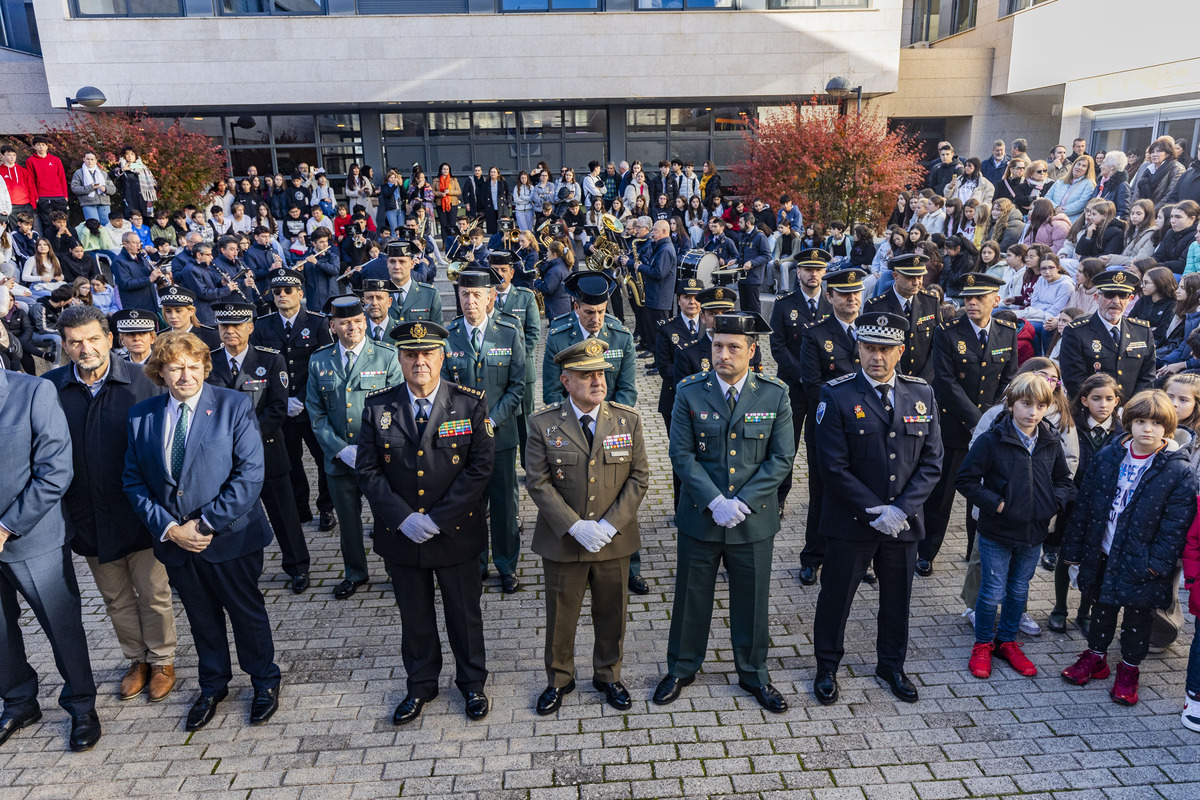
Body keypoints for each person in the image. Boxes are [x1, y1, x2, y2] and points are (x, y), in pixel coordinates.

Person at [123, 331, 281, 732]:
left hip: (229, 538)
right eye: (175, 367)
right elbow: (133, 481)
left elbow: (249, 475)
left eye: (194, 366)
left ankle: (264, 681)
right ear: (160, 371)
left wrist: (205, 523)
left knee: (247, 614)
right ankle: (212, 685)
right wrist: (170, 529)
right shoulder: (142, 415)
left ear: (205, 368)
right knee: (201, 618)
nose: (185, 375)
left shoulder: (233, 405)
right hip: (177, 544)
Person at [356, 320, 494, 725]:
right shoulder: (379, 406)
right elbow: (367, 470)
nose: (419, 361)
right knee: (414, 616)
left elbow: (480, 467)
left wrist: (437, 518)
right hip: (402, 536)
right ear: (399, 358)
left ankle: (472, 684)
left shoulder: (469, 403)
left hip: (455, 531)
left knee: (464, 614)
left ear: (441, 356)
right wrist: (402, 518)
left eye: (427, 353)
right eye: (411, 354)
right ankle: (420, 685)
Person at [655, 312, 794, 712]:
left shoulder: (774, 393)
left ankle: (754, 673)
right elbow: (680, 454)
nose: (723, 354)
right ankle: (681, 667)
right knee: (690, 596)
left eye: (734, 347)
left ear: (752, 351)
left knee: (752, 598)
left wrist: (743, 502)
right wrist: (716, 502)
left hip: (753, 517)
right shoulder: (689, 391)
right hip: (702, 513)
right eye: (717, 345)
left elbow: (782, 458)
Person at [46, 304, 177, 704]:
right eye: (75, 342)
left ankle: (163, 660)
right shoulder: (49, 388)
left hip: (141, 513)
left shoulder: (145, 382)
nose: (85, 349)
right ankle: (136, 659)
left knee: (153, 593)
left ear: (109, 340)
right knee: (116, 597)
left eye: (92, 339)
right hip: (87, 516)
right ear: (65, 347)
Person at [810, 312, 942, 705]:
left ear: (901, 351)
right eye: (869, 348)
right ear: (859, 349)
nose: (877, 357)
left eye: (885, 349)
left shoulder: (922, 394)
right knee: (837, 596)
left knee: (897, 599)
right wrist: (876, 510)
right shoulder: (836, 395)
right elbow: (832, 466)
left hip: (903, 523)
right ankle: (827, 666)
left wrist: (900, 510)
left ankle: (891, 664)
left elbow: (932, 461)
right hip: (852, 521)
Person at [526, 339, 649, 715]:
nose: (597, 381)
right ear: (566, 380)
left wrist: (610, 526)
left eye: (600, 373)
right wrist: (574, 526)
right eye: (586, 375)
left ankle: (608, 675)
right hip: (564, 542)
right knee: (562, 615)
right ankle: (559, 679)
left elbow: (639, 478)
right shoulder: (543, 424)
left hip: (614, 541)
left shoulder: (627, 420)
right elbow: (538, 481)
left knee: (612, 612)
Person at [1060, 390, 1197, 705]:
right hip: (1104, 552)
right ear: (1129, 423)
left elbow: (1176, 525)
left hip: (1143, 562)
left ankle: (1129, 669)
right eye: (1140, 421)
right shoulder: (1109, 456)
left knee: (1138, 619)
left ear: (1168, 427)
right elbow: (1085, 506)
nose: (1147, 429)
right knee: (1102, 608)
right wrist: (1076, 552)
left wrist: (1155, 565)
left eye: (1156, 423)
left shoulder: (1177, 470)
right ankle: (1095, 657)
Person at [0, 367, 99, 751]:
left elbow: (56, 471)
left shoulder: (33, 391)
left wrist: (7, 527)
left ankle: (81, 707)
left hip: (33, 536)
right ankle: (18, 702)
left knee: (62, 628)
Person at [956, 373, 1076, 679]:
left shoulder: (1049, 442)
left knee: (1019, 590)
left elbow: (1064, 481)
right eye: (1026, 404)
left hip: (1033, 533)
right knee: (992, 590)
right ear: (1011, 405)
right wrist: (996, 503)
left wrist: (1052, 504)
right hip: (997, 532)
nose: (1033, 412)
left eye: (1040, 405)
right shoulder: (991, 441)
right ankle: (983, 643)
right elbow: (966, 480)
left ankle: (1007, 641)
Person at [206, 302, 310, 594]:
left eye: (237, 325)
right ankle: (240, 570)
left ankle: (298, 566)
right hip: (223, 457)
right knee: (233, 518)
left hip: (266, 451)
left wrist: (244, 440)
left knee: (284, 513)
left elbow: (277, 409)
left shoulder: (270, 359)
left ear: (250, 328)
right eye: (224, 326)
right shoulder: (208, 362)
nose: (230, 332)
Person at [919, 273, 1019, 575]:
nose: (971, 303)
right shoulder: (947, 332)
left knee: (986, 492)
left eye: (979, 298)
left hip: (990, 428)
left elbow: (1009, 378)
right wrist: (977, 421)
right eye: (967, 298)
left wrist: (991, 419)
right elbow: (946, 382)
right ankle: (926, 551)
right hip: (954, 426)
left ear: (996, 300)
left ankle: (975, 549)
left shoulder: (1007, 331)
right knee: (941, 494)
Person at [305, 295, 404, 599]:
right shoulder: (319, 360)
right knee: (348, 522)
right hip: (339, 461)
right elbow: (315, 410)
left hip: (378, 460)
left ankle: (396, 571)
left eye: (358, 321)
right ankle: (355, 573)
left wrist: (371, 449)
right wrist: (338, 448)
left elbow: (397, 408)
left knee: (387, 518)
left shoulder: (386, 356)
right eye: (345, 322)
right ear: (332, 326)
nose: (352, 327)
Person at [441, 268, 526, 593]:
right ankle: (475, 564)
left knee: (504, 506)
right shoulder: (449, 336)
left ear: (491, 297)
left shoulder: (507, 331)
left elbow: (517, 384)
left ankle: (507, 566)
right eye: (464, 294)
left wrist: (492, 421)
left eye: (477, 294)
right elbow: (445, 389)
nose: (470, 301)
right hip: (462, 440)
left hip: (501, 438)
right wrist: (468, 426)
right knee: (469, 506)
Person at [250, 268, 336, 532]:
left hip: (312, 406)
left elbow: (325, 365)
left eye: (288, 291)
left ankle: (326, 508)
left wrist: (301, 397)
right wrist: (283, 399)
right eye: (277, 292)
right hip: (280, 409)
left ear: (300, 293)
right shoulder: (263, 326)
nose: (282, 295)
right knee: (291, 461)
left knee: (323, 461)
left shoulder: (318, 323)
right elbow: (258, 366)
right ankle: (301, 508)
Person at [797, 267, 867, 584]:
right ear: (830, 297)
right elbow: (812, 384)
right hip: (828, 430)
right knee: (822, 496)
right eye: (844, 293)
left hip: (868, 431)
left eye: (856, 292)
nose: (851, 298)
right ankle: (813, 557)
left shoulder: (871, 331)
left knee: (863, 493)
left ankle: (860, 558)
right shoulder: (815, 334)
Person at [769, 248, 832, 514]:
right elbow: (778, 346)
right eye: (808, 269)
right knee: (787, 446)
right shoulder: (785, 304)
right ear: (799, 273)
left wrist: (816, 380)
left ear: (824, 273)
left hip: (824, 391)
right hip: (793, 388)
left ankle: (822, 498)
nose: (813, 274)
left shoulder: (833, 304)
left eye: (818, 269)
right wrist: (803, 375)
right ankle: (779, 498)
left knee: (823, 447)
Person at [1059, 268, 1155, 401]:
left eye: (1123, 295)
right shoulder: (1076, 332)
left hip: (1130, 411)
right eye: (1110, 295)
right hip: (1090, 411)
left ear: (1130, 299)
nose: (1116, 301)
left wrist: (1132, 407)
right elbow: (1074, 380)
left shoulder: (1142, 331)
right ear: (1097, 297)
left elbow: (1147, 376)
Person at [542, 271, 637, 407]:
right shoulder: (558, 339)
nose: (596, 319)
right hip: (571, 422)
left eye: (601, 311)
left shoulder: (622, 338)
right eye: (589, 312)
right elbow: (552, 392)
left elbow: (627, 390)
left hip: (611, 420)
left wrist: (609, 420)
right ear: (576, 308)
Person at [864, 253, 944, 381]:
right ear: (895, 276)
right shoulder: (876, 307)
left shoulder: (931, 301)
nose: (916, 283)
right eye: (910, 277)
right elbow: (872, 349)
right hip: (889, 379)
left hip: (924, 379)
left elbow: (937, 344)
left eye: (919, 277)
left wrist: (924, 379)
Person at [655, 278, 706, 437]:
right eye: (686, 297)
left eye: (696, 297)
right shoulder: (667, 329)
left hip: (707, 399)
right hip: (675, 398)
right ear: (678, 300)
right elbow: (664, 367)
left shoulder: (712, 326)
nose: (692, 302)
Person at [111, 231, 163, 315]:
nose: (138, 245)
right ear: (125, 244)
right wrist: (149, 279)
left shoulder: (142, 257)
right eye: (134, 243)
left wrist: (156, 274)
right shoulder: (118, 262)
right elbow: (126, 284)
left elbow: (148, 277)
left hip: (150, 303)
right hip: (135, 308)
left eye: (139, 242)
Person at [1134, 136, 1186, 207]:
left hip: (1161, 213)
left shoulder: (1177, 169)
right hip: (1142, 211)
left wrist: (1151, 212)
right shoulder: (1148, 169)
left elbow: (1169, 195)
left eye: (1159, 151)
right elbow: (1137, 192)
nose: (1154, 154)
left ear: (1167, 153)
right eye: (1152, 152)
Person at [109, 146, 157, 220]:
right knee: (130, 219)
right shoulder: (122, 167)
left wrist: (153, 187)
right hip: (129, 199)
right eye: (127, 154)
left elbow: (154, 183)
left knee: (145, 220)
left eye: (132, 154)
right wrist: (122, 170)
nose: (130, 156)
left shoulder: (143, 168)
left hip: (143, 199)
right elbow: (112, 175)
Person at [69, 152, 114, 225]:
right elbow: (75, 188)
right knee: (93, 226)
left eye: (92, 159)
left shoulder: (103, 173)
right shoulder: (79, 173)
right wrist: (91, 188)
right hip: (88, 203)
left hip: (104, 203)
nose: (90, 161)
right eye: (88, 159)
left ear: (96, 160)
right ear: (84, 159)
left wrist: (105, 189)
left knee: (107, 225)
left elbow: (113, 189)